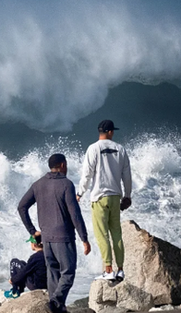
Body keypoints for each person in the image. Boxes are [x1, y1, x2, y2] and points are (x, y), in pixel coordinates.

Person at [18, 154, 91, 313]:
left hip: (47, 239)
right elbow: (75, 214)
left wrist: (33, 232)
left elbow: (21, 207)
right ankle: (56, 302)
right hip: (63, 238)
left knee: (53, 274)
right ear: (63, 165)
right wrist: (84, 238)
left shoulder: (38, 184)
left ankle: (57, 308)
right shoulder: (66, 184)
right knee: (68, 273)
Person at [77, 119, 132, 282]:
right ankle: (120, 270)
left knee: (102, 234)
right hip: (115, 197)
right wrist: (127, 196)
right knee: (116, 233)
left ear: (100, 131)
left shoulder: (93, 148)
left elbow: (87, 174)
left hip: (99, 197)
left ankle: (108, 269)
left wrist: (79, 193)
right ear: (110, 132)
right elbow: (127, 176)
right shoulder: (120, 149)